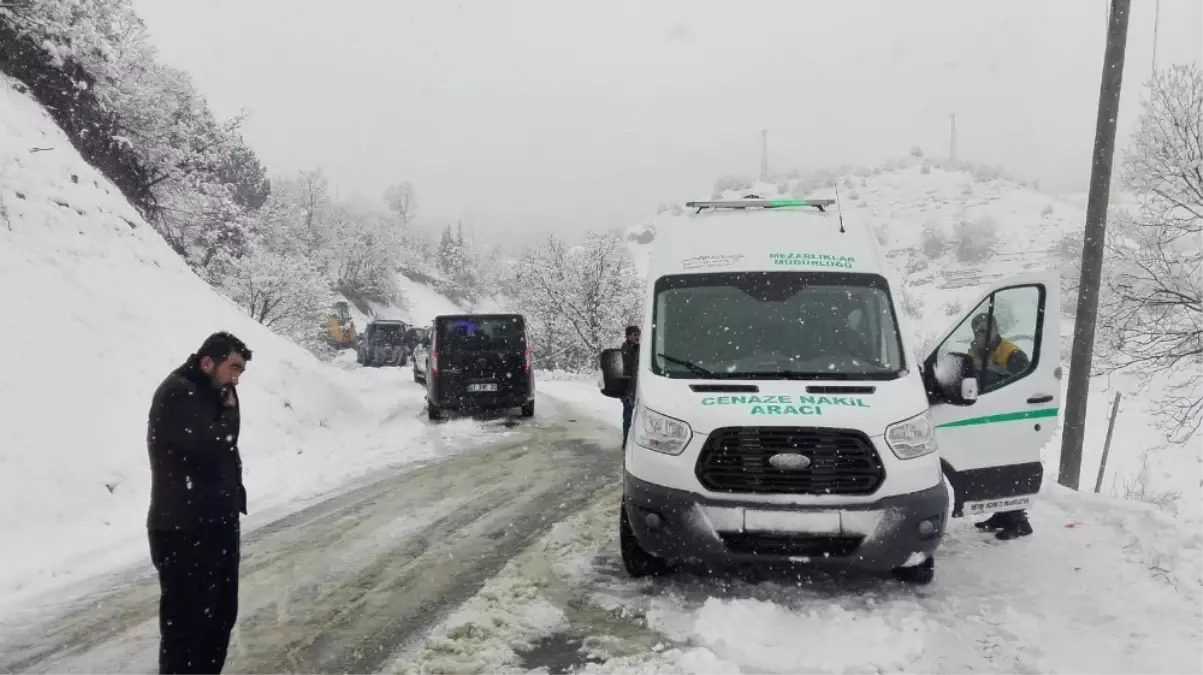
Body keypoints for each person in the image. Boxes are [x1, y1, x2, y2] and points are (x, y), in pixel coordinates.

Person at [147, 332, 252, 675]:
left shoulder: (211, 394)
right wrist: (232, 414)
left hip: (215, 525)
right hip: (185, 531)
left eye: (240, 373)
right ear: (208, 362)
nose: (236, 379)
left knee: (219, 620)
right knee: (187, 633)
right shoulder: (177, 393)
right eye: (233, 368)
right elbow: (213, 442)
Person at [966, 313, 1034, 541]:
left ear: (996, 330)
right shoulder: (974, 351)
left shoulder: (1010, 352)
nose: (982, 334)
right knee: (993, 466)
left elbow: (1025, 380)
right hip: (986, 414)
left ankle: (1020, 521)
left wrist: (995, 383)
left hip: (1008, 415)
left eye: (986, 330)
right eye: (978, 330)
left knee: (1007, 466)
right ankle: (1003, 515)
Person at [620, 326, 641, 446]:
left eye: (639, 334)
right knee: (628, 417)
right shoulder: (624, 350)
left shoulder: (640, 349)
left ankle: (636, 442)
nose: (637, 336)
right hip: (628, 390)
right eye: (635, 334)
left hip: (639, 389)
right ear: (628, 335)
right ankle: (626, 440)